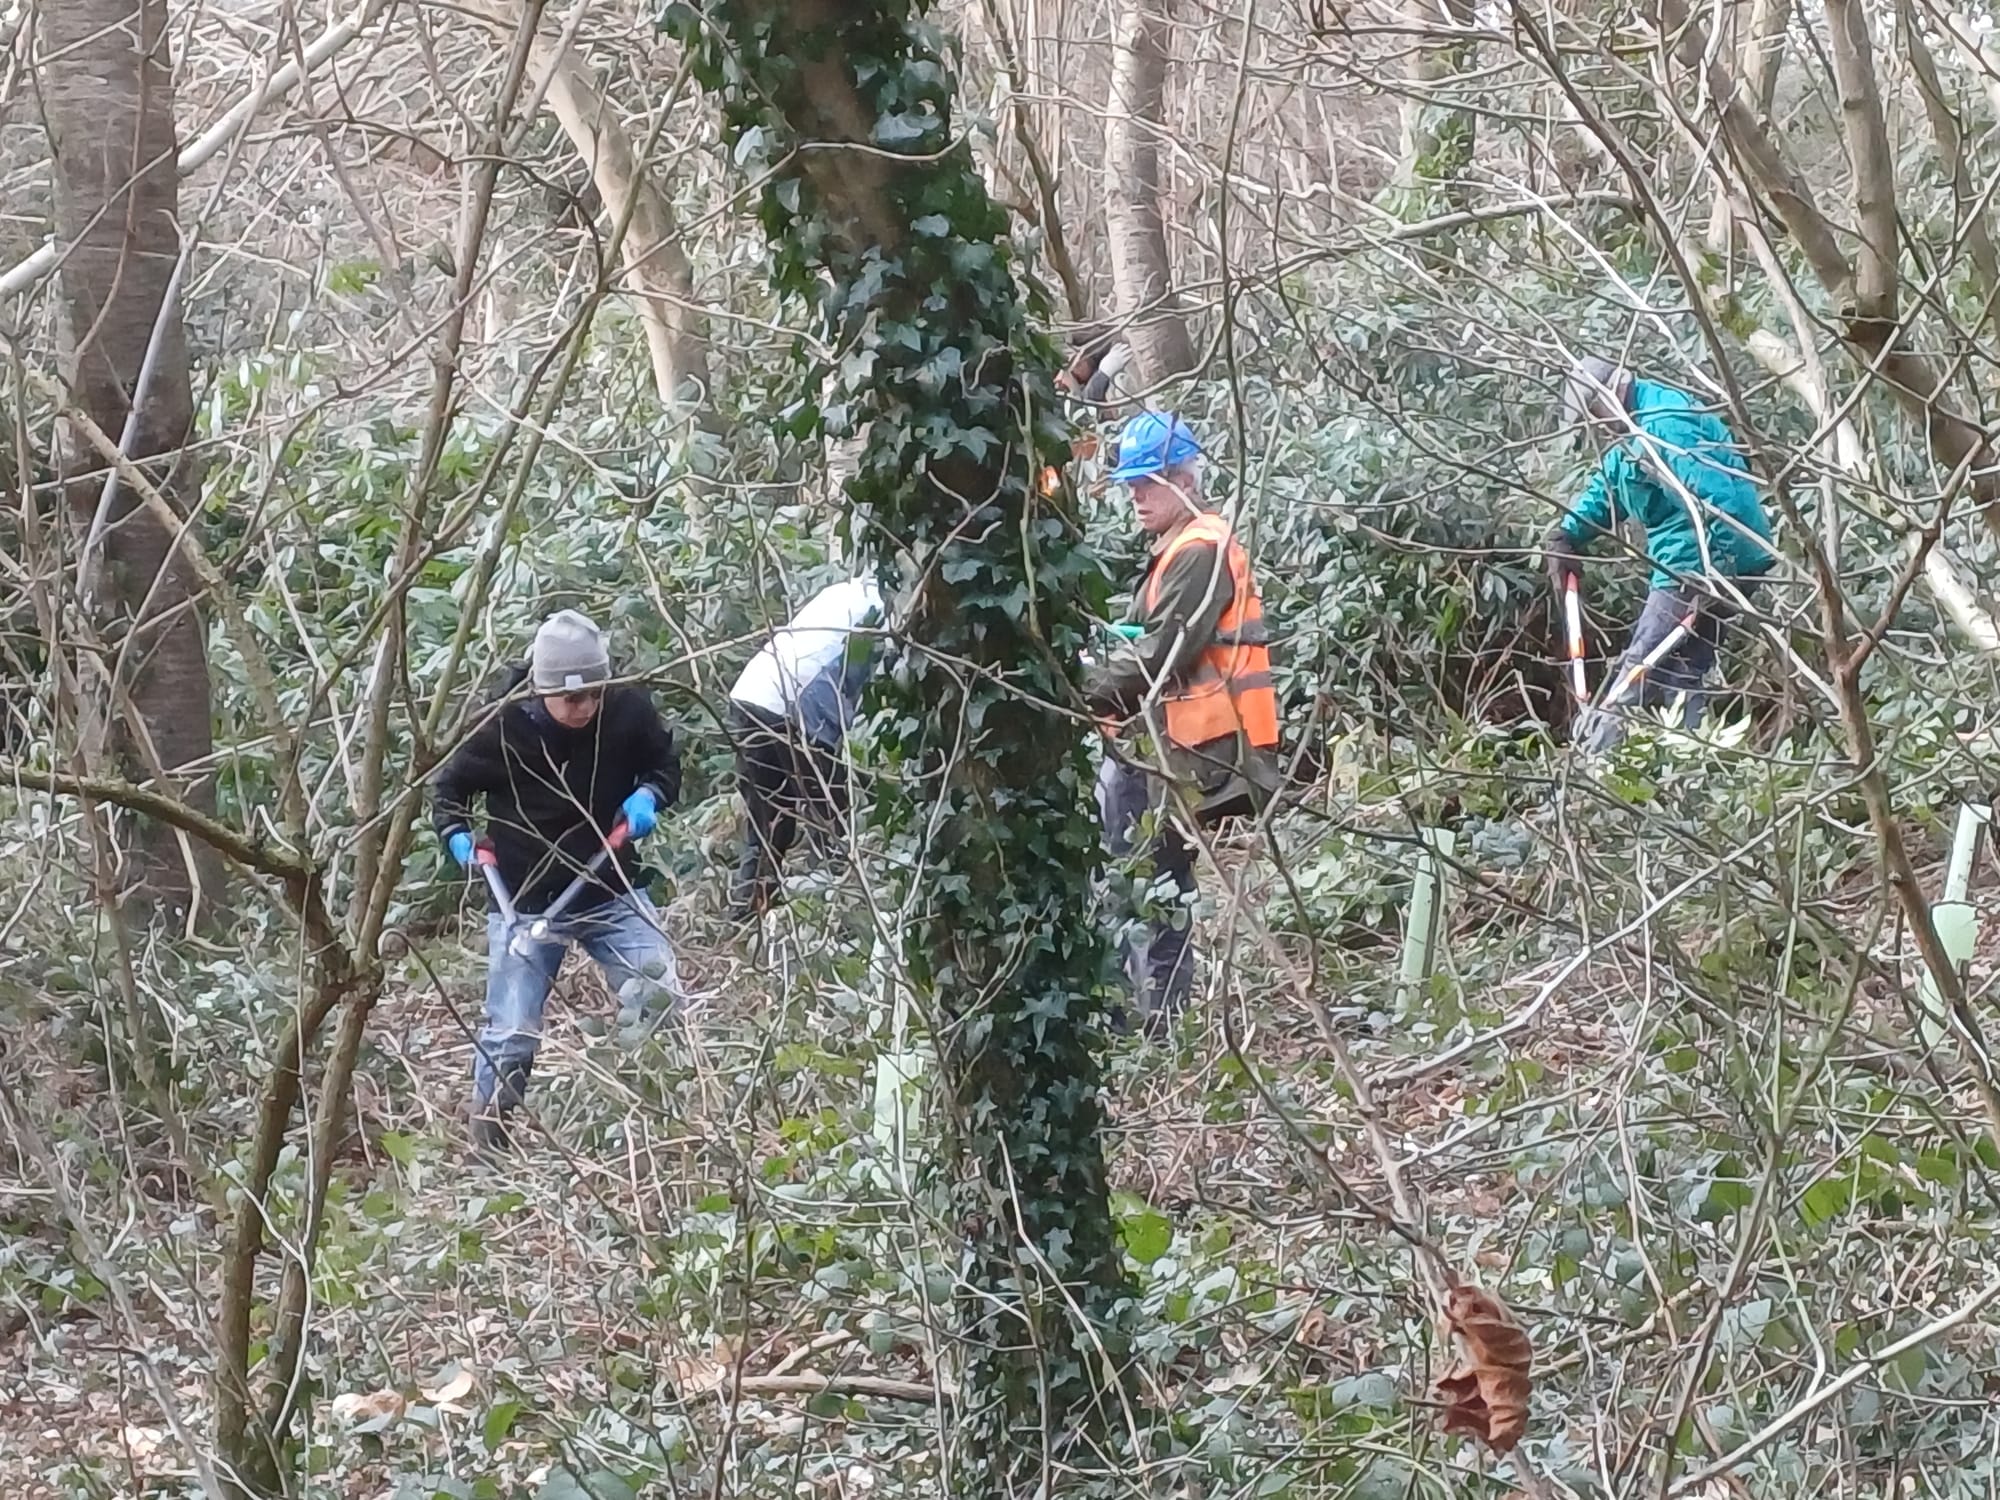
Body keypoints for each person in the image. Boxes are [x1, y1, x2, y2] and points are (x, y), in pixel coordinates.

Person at [433, 608, 683, 1150]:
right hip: (525, 899)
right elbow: (448, 792)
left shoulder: (625, 712)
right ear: (542, 690)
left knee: (660, 997)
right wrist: (456, 835)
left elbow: (664, 764)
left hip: (610, 887)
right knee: (513, 1033)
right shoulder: (499, 727)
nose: (584, 708)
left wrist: (650, 795)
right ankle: (488, 1143)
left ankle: (659, 1133)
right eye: (571, 699)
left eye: (593, 695)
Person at [1085, 411, 1282, 1031]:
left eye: (1147, 483)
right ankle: (1149, 1020)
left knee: (1145, 880)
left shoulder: (1199, 550)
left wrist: (1080, 682)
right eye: (1131, 485)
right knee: (1147, 877)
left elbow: (1164, 651)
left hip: (1184, 748)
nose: (1135, 496)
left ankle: (1149, 1024)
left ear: (1183, 480)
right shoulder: (1179, 550)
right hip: (1164, 742)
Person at [1544, 356, 1777, 751]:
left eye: (1594, 413)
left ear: (1612, 393)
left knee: (1639, 669)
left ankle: (1592, 765)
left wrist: (1714, 572)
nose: (1596, 426)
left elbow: (1716, 501)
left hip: (1703, 560)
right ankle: (1692, 766)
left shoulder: (1664, 425)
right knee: (1683, 673)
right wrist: (1568, 534)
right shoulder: (1636, 425)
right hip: (1708, 559)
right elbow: (1612, 482)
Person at [726, 577, 885, 918]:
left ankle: (744, 918)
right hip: (797, 705)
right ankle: (835, 915)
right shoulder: (886, 605)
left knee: (770, 818)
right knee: (834, 819)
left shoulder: (844, 589)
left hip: (751, 693)